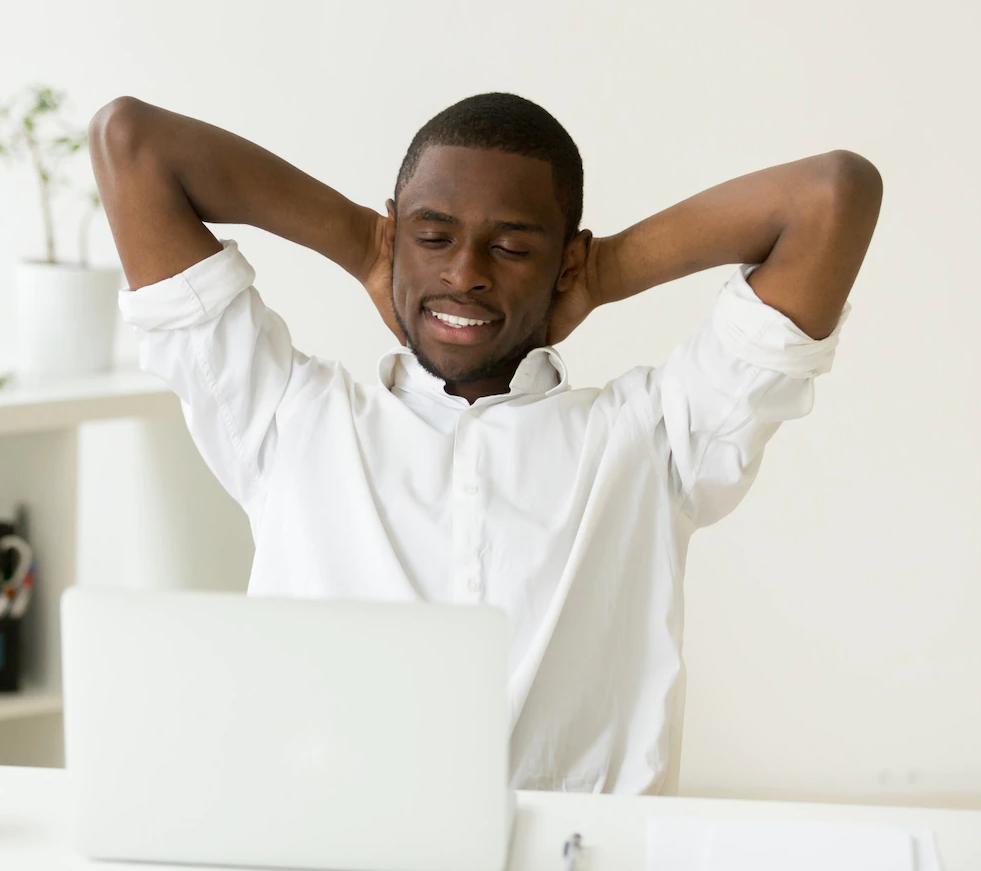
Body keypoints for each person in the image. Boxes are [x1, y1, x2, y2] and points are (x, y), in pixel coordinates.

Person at [89, 92, 882, 795]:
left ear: (565, 256)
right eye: (434, 237)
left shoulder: (656, 440)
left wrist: (601, 275)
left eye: (510, 247)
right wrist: (365, 246)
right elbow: (134, 143)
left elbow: (831, 195)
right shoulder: (286, 419)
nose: (465, 273)